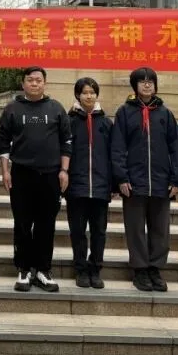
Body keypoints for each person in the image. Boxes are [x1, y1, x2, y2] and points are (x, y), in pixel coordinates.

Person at [110, 67, 178, 293]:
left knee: (160, 229)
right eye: (142, 81)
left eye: (150, 81)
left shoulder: (165, 114)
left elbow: (176, 148)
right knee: (135, 229)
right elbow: (117, 147)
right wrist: (121, 177)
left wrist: (177, 180)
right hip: (134, 182)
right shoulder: (124, 112)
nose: (146, 85)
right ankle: (140, 269)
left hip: (161, 182)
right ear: (135, 86)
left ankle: (155, 268)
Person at [0, 66, 72, 293]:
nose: (34, 83)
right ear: (23, 84)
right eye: (30, 80)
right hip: (21, 174)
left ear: (44, 83)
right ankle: (23, 269)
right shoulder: (12, 109)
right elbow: (3, 142)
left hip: (50, 175)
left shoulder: (56, 108)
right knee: (22, 223)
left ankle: (43, 269)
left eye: (38, 80)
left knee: (46, 224)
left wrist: (64, 170)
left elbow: (66, 141)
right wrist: (5, 171)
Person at [65, 76, 112, 289]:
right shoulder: (69, 121)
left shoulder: (106, 123)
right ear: (78, 95)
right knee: (77, 231)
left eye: (92, 92)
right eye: (85, 92)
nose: (89, 96)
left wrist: (113, 183)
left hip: (100, 187)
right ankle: (81, 269)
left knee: (99, 232)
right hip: (76, 186)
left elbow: (113, 154)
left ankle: (95, 268)